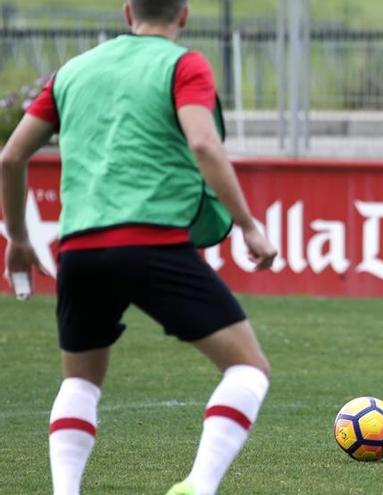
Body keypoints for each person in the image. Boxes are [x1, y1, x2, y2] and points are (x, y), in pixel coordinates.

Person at [0, 1, 278, 494]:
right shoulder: (183, 64)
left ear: (127, 11)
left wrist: (19, 238)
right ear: (185, 15)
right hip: (154, 244)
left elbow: (11, 156)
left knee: (80, 382)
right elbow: (204, 146)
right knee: (249, 368)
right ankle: (199, 484)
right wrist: (248, 225)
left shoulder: (72, 71)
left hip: (81, 249)